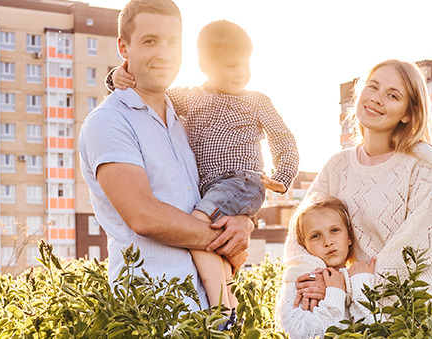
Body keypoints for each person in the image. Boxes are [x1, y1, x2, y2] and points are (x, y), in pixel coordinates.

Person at [108, 20, 299, 314]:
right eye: (231, 66)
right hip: (210, 188)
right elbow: (147, 89)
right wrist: (119, 75)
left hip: (241, 182)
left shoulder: (256, 101)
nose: (241, 73)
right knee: (215, 238)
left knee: (196, 228)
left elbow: (283, 138)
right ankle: (227, 296)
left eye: (245, 65)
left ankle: (222, 307)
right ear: (205, 66)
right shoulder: (192, 97)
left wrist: (282, 175)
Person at [78, 0, 254, 312]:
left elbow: (219, 185)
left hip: (214, 316)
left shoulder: (186, 119)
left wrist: (244, 222)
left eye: (173, 42)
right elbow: (143, 216)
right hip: (155, 316)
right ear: (123, 47)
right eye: (150, 41)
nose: (164, 53)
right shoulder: (109, 122)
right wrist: (224, 239)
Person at [278, 60, 432, 327]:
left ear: (408, 113)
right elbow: (299, 235)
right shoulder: (337, 166)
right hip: (367, 307)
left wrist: (342, 285)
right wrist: (314, 281)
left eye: (392, 95)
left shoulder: (424, 162)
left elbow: (412, 250)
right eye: (373, 87)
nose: (377, 99)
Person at [279, 194, 375, 339]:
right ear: (304, 245)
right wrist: (335, 293)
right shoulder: (303, 284)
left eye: (335, 230)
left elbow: (374, 331)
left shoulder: (357, 276)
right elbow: (300, 334)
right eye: (315, 236)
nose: (328, 242)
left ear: (349, 236)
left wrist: (359, 285)